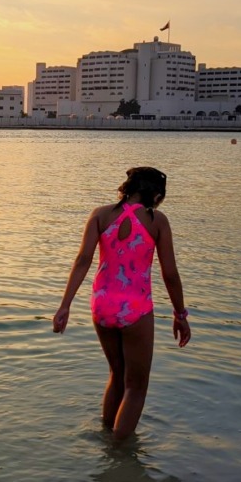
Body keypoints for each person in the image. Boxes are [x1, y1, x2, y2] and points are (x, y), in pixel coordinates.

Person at [53, 167, 191, 440]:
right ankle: (119, 456)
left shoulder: (100, 215)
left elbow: (82, 261)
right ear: (156, 194)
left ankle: (106, 437)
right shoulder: (157, 221)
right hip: (135, 308)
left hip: (101, 305)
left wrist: (64, 305)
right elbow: (170, 273)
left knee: (117, 375)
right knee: (136, 387)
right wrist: (180, 314)